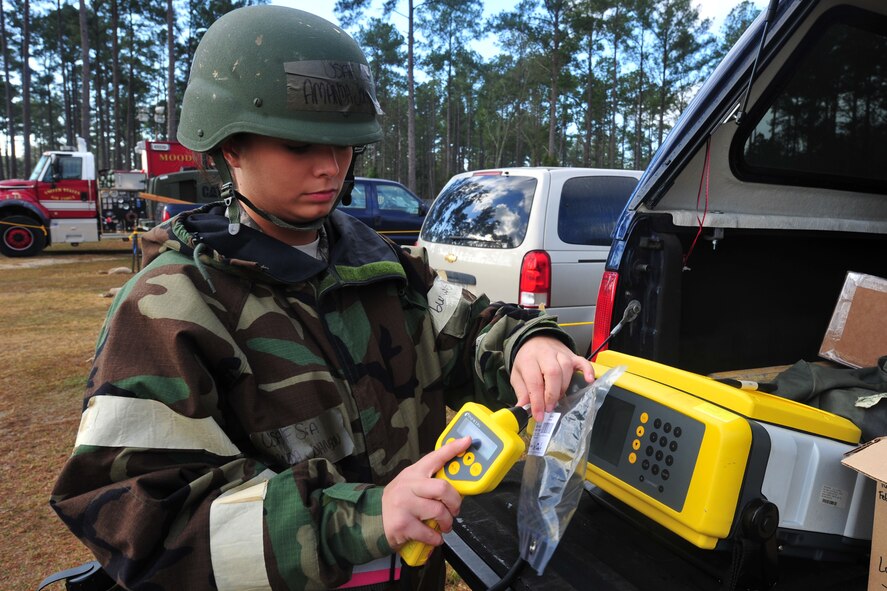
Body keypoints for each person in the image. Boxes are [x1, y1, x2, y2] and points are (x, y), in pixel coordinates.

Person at [50, 6, 594, 591]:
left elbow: (466, 335)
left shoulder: (377, 263)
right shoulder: (171, 305)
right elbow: (141, 520)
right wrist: (359, 520)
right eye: (299, 145)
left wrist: (526, 345)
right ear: (231, 147)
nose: (330, 167)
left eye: (345, 146)